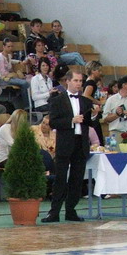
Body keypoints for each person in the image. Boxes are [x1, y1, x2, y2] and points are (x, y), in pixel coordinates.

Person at [42, 69, 94, 223]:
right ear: (68, 81)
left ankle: (71, 210)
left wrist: (95, 115)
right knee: (60, 178)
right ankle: (54, 212)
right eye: (76, 80)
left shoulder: (86, 101)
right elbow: (53, 122)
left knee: (77, 179)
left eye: (80, 81)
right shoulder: (57, 100)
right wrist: (71, 121)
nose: (79, 84)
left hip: (81, 143)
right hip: (65, 143)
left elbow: (90, 123)